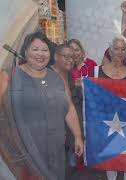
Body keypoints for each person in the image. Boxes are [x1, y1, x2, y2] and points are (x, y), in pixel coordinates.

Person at [11, 31, 83, 180]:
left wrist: (77, 136)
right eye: (35, 49)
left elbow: (68, 107)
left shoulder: (55, 77)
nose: (40, 54)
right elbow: (12, 117)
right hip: (30, 154)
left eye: (44, 50)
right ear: (26, 51)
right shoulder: (15, 76)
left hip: (56, 152)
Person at [97, 35, 126, 180]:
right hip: (106, 123)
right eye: (116, 49)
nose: (119, 52)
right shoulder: (97, 72)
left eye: (123, 49)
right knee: (110, 158)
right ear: (110, 51)